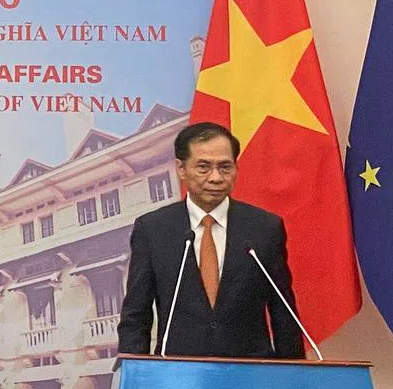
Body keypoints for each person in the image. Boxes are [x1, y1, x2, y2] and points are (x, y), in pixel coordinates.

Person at [117, 121, 303, 359]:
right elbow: (136, 314)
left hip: (251, 369)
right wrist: (136, 372)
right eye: (203, 167)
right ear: (181, 169)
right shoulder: (153, 229)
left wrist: (293, 372)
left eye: (225, 167)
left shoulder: (264, 228)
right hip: (179, 370)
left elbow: (283, 311)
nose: (216, 178)